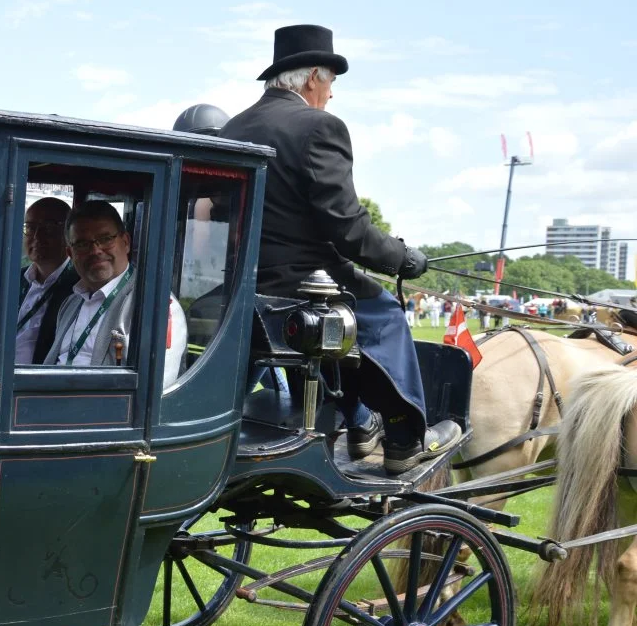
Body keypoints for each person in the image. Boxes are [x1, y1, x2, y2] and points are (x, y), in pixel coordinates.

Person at [219, 24, 456, 475]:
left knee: (342, 321)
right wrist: (403, 258)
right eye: (330, 83)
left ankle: (359, 422)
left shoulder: (233, 127)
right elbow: (348, 227)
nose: (331, 95)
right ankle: (405, 437)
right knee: (384, 315)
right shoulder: (318, 126)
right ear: (312, 78)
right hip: (299, 285)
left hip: (242, 288)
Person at [44, 201, 187, 388]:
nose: (95, 250)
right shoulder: (70, 303)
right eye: (82, 244)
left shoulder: (155, 304)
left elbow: (154, 391)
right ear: (70, 253)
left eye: (105, 239)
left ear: (126, 242)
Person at [16, 197, 79, 364]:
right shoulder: (12, 280)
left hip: (37, 384)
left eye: (48, 227)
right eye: (30, 227)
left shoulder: (79, 287)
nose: (37, 236)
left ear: (68, 233)